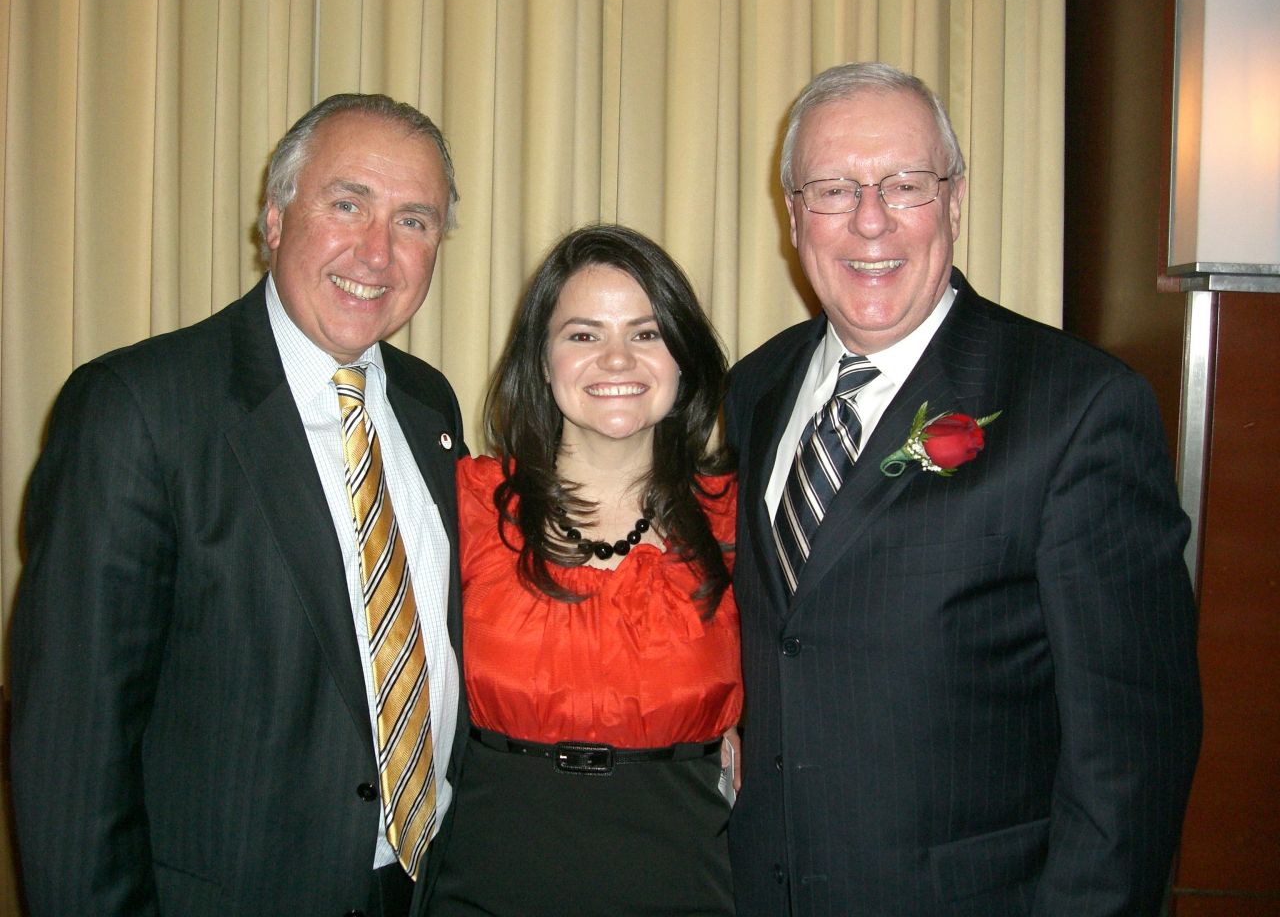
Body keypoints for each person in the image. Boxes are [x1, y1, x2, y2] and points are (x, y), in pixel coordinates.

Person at [724, 62, 1202, 916]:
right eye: (833, 189)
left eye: (904, 184)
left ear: (954, 200)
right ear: (793, 213)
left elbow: (1132, 755)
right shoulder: (754, 388)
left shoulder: (1079, 407)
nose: (870, 221)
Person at [10, 93, 468, 916]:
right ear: (275, 218)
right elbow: (71, 750)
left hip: (417, 890)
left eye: (415, 220)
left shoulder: (431, 409)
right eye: (347, 203)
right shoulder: (139, 409)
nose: (377, 251)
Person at [429, 224, 741, 917]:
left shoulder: (741, 520)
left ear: (682, 357)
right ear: (541, 360)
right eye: (582, 334)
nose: (616, 359)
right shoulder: (464, 506)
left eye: (647, 333)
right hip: (488, 876)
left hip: (687, 878)